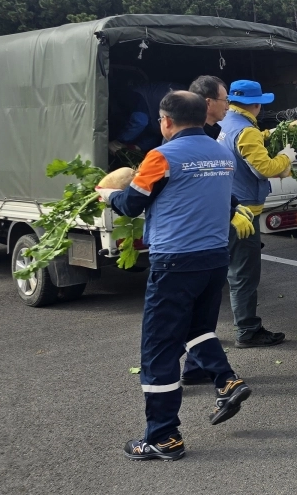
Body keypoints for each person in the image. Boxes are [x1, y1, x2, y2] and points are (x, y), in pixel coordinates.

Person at [101, 91, 258, 461]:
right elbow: (225, 200)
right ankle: (226, 380)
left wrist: (106, 195)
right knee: (195, 329)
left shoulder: (160, 157)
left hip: (175, 261)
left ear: (166, 121)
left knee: (158, 349)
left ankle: (163, 436)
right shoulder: (221, 153)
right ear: (204, 117)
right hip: (214, 258)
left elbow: (131, 204)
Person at [215, 80, 293, 345]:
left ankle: (201, 332)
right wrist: (286, 157)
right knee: (243, 274)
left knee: (221, 272)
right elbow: (263, 169)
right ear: (256, 105)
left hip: (226, 206)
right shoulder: (247, 130)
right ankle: (247, 331)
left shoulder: (227, 122)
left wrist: (270, 134)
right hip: (244, 212)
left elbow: (246, 146)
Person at [111, 81, 175, 151]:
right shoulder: (178, 101)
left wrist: (138, 146)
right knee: (140, 120)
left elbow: (157, 132)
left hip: (157, 113)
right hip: (143, 96)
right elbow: (140, 121)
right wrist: (118, 142)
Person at [189, 75, 229, 140]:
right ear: (208, 103)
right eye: (225, 100)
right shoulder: (196, 139)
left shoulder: (184, 132)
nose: (227, 107)